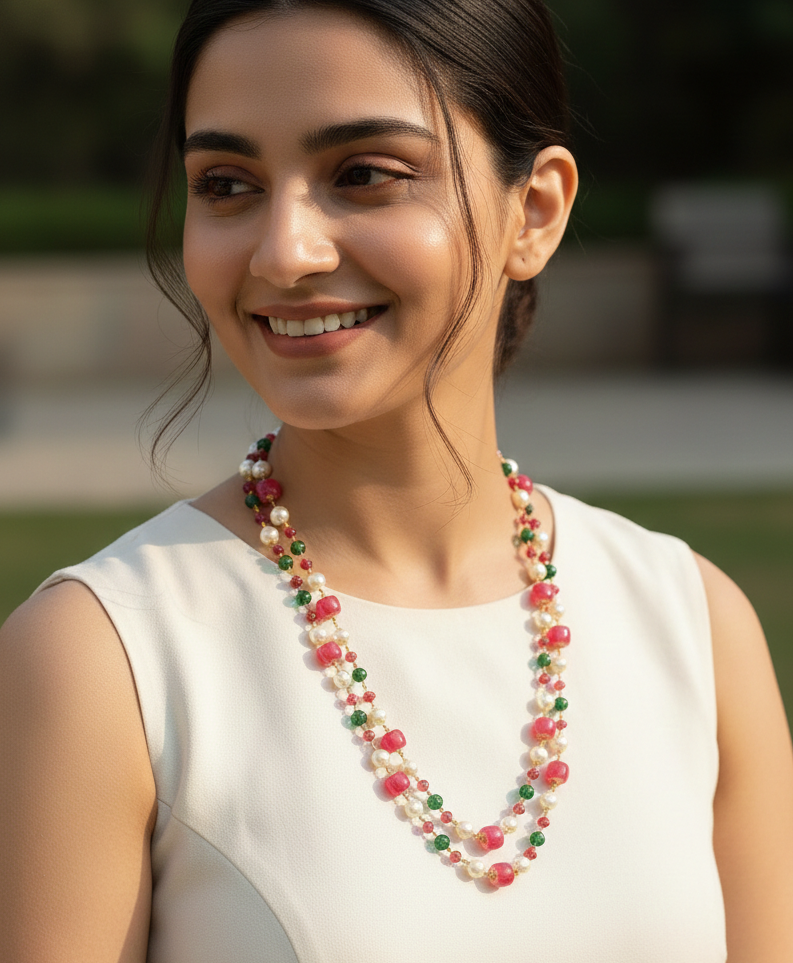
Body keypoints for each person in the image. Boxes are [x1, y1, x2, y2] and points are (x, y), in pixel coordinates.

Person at [1, 1, 792, 960]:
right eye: (226, 183)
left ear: (533, 211)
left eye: (364, 174)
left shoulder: (691, 626)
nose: (284, 250)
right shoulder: (104, 657)